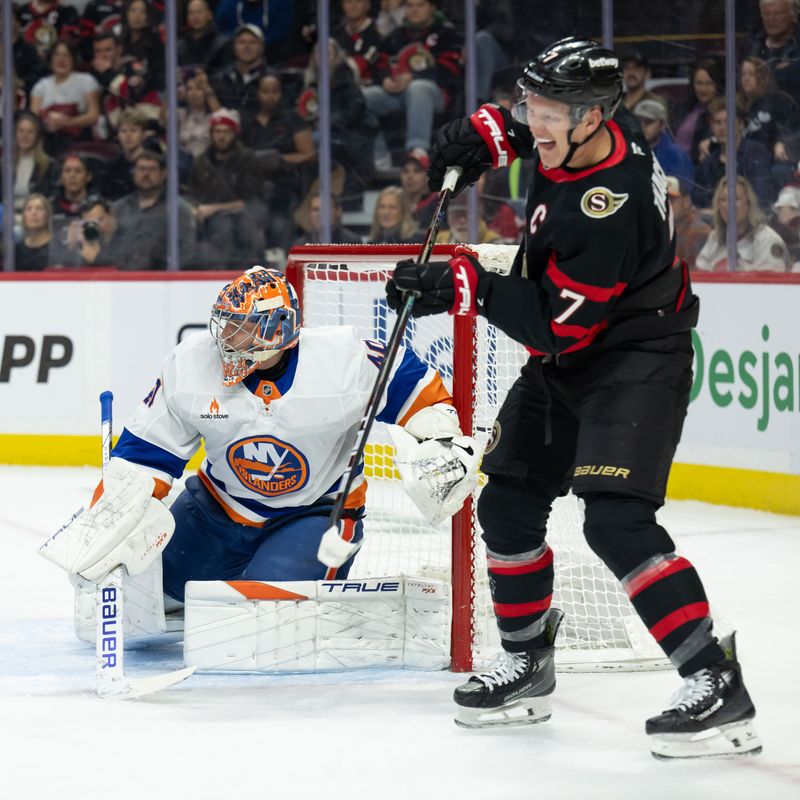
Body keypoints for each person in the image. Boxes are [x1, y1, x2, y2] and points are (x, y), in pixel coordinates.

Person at [386, 37, 760, 759]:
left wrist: (461, 286)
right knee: (508, 502)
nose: (539, 120)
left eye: (553, 109)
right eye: (535, 103)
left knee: (616, 522)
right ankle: (527, 663)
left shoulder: (608, 204)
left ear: (592, 118)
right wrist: (481, 132)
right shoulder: (573, 136)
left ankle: (714, 681)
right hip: (575, 354)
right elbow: (520, 130)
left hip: (634, 356)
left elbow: (553, 326)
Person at [44, 266, 478, 641]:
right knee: (146, 599)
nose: (228, 339)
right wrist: (109, 519)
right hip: (216, 510)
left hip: (314, 516)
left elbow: (418, 391)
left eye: (244, 327)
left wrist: (438, 440)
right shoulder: (191, 363)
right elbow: (144, 455)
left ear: (279, 329)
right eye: (226, 324)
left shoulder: (341, 357)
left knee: (259, 623)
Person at [363, 0, 462, 162]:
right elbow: (380, 62)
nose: (414, 10)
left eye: (420, 5)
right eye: (410, 6)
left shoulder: (446, 33)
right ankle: (379, 152)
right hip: (397, 93)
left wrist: (414, 76)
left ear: (432, 7)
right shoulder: (397, 35)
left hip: (435, 93)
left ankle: (418, 150)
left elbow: (449, 70)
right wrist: (385, 79)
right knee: (364, 97)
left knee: (418, 88)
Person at [189, 108, 266, 266]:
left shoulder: (248, 160)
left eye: (226, 131)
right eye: (217, 131)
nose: (221, 136)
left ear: (235, 133)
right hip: (208, 217)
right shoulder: (202, 162)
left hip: (244, 217)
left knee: (224, 227)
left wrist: (214, 208)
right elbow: (193, 193)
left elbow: (249, 201)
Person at [112, 151, 196, 270]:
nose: (146, 174)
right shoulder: (118, 208)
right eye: (141, 169)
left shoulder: (178, 210)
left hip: (161, 279)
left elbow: (186, 251)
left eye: (152, 169)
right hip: (120, 277)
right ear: (134, 173)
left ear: (163, 173)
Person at [692, 97, 775, 211]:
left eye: (728, 122)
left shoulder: (756, 152)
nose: (722, 128)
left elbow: (761, 197)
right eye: (717, 122)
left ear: (741, 124)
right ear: (711, 126)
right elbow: (700, 201)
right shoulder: (708, 162)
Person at [695, 176, 789, 271]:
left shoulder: (768, 240)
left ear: (748, 203)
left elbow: (771, 282)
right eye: (723, 199)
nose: (728, 205)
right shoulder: (715, 238)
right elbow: (700, 274)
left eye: (735, 199)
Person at [29, 41, 101, 155]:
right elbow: (33, 117)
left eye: (66, 55)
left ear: (73, 59)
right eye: (57, 55)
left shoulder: (86, 81)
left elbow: (93, 115)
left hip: (79, 140)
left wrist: (68, 123)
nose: (61, 60)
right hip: (48, 141)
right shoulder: (41, 86)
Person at [632, 97, 694, 190]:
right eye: (638, 121)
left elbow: (683, 193)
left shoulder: (676, 155)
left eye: (648, 122)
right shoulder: (626, 151)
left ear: (662, 124)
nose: (642, 126)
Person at [746, 0, 800, 106]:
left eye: (778, 13)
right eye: (766, 14)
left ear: (794, 17)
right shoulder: (752, 46)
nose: (771, 19)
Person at [12, 110, 58, 212]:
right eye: (21, 131)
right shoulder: (4, 164)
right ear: (15, 134)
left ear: (37, 136)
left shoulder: (49, 165)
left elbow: (52, 198)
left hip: (36, 214)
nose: (25, 136)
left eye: (30, 132)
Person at [666, 176, 711, 268]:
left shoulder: (698, 232)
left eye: (671, 200)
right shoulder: (660, 229)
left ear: (686, 201)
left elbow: (691, 274)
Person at [292, 191, 362, 246]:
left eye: (325, 209)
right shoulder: (301, 244)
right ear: (309, 213)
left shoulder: (351, 242)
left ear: (338, 211)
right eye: (315, 209)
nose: (320, 214)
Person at [15, 193, 53, 271]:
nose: (34, 213)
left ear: (47, 215)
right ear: (23, 216)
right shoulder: (16, 251)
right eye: (28, 209)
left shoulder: (57, 248)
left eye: (39, 209)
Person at [400, 151, 438, 230]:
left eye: (417, 171)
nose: (409, 176)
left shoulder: (438, 205)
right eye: (405, 171)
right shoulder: (394, 204)